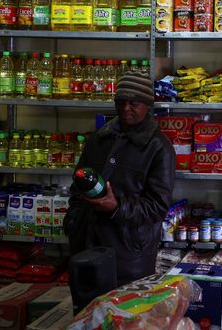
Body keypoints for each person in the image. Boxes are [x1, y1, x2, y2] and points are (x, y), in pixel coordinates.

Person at [64, 71, 174, 286]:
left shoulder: (159, 148)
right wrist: (74, 221)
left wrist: (116, 207)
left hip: (129, 255)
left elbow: (157, 207)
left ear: (148, 105)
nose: (125, 109)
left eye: (134, 103)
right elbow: (78, 184)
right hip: (86, 246)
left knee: (125, 314)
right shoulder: (99, 138)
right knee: (88, 313)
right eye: (121, 102)